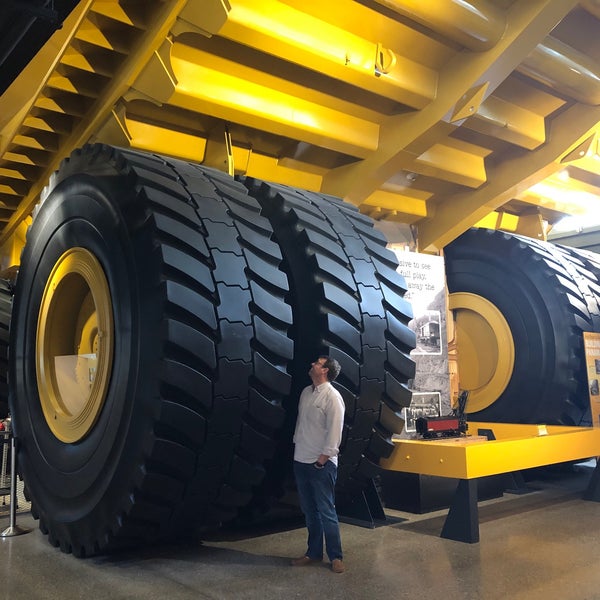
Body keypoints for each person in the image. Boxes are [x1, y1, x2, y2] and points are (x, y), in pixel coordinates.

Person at [291, 356, 346, 574]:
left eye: (317, 363)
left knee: (326, 510)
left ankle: (336, 556)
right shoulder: (306, 392)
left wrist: (322, 460)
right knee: (309, 511)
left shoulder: (333, 397)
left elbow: (335, 431)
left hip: (321, 464)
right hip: (301, 460)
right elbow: (301, 424)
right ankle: (313, 553)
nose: (312, 364)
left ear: (325, 370)